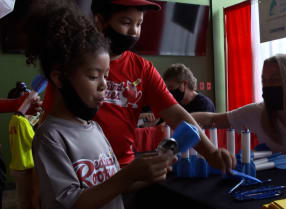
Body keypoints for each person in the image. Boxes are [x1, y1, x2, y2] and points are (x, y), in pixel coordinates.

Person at [42, 0, 235, 172]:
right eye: (126, 22)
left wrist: (211, 152)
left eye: (139, 24)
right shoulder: (73, 64)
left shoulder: (143, 69)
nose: (134, 31)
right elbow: (49, 121)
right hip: (79, 169)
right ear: (100, 21)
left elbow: (176, 114)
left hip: (124, 169)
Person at [25, 2, 172, 208]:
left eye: (106, 75)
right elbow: (72, 203)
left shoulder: (95, 129)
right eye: (94, 76)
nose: (104, 85)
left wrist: (146, 173)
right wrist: (127, 175)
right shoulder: (50, 137)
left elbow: (110, 185)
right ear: (59, 78)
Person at [192, 54, 286, 173]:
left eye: (274, 80)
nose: (267, 87)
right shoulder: (258, 112)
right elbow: (212, 119)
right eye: (264, 81)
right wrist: (174, 121)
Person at [7, 82, 38, 209]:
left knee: (23, 200)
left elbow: (33, 121)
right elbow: (35, 143)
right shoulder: (21, 122)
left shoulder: (15, 119)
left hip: (18, 167)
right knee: (27, 202)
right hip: (25, 169)